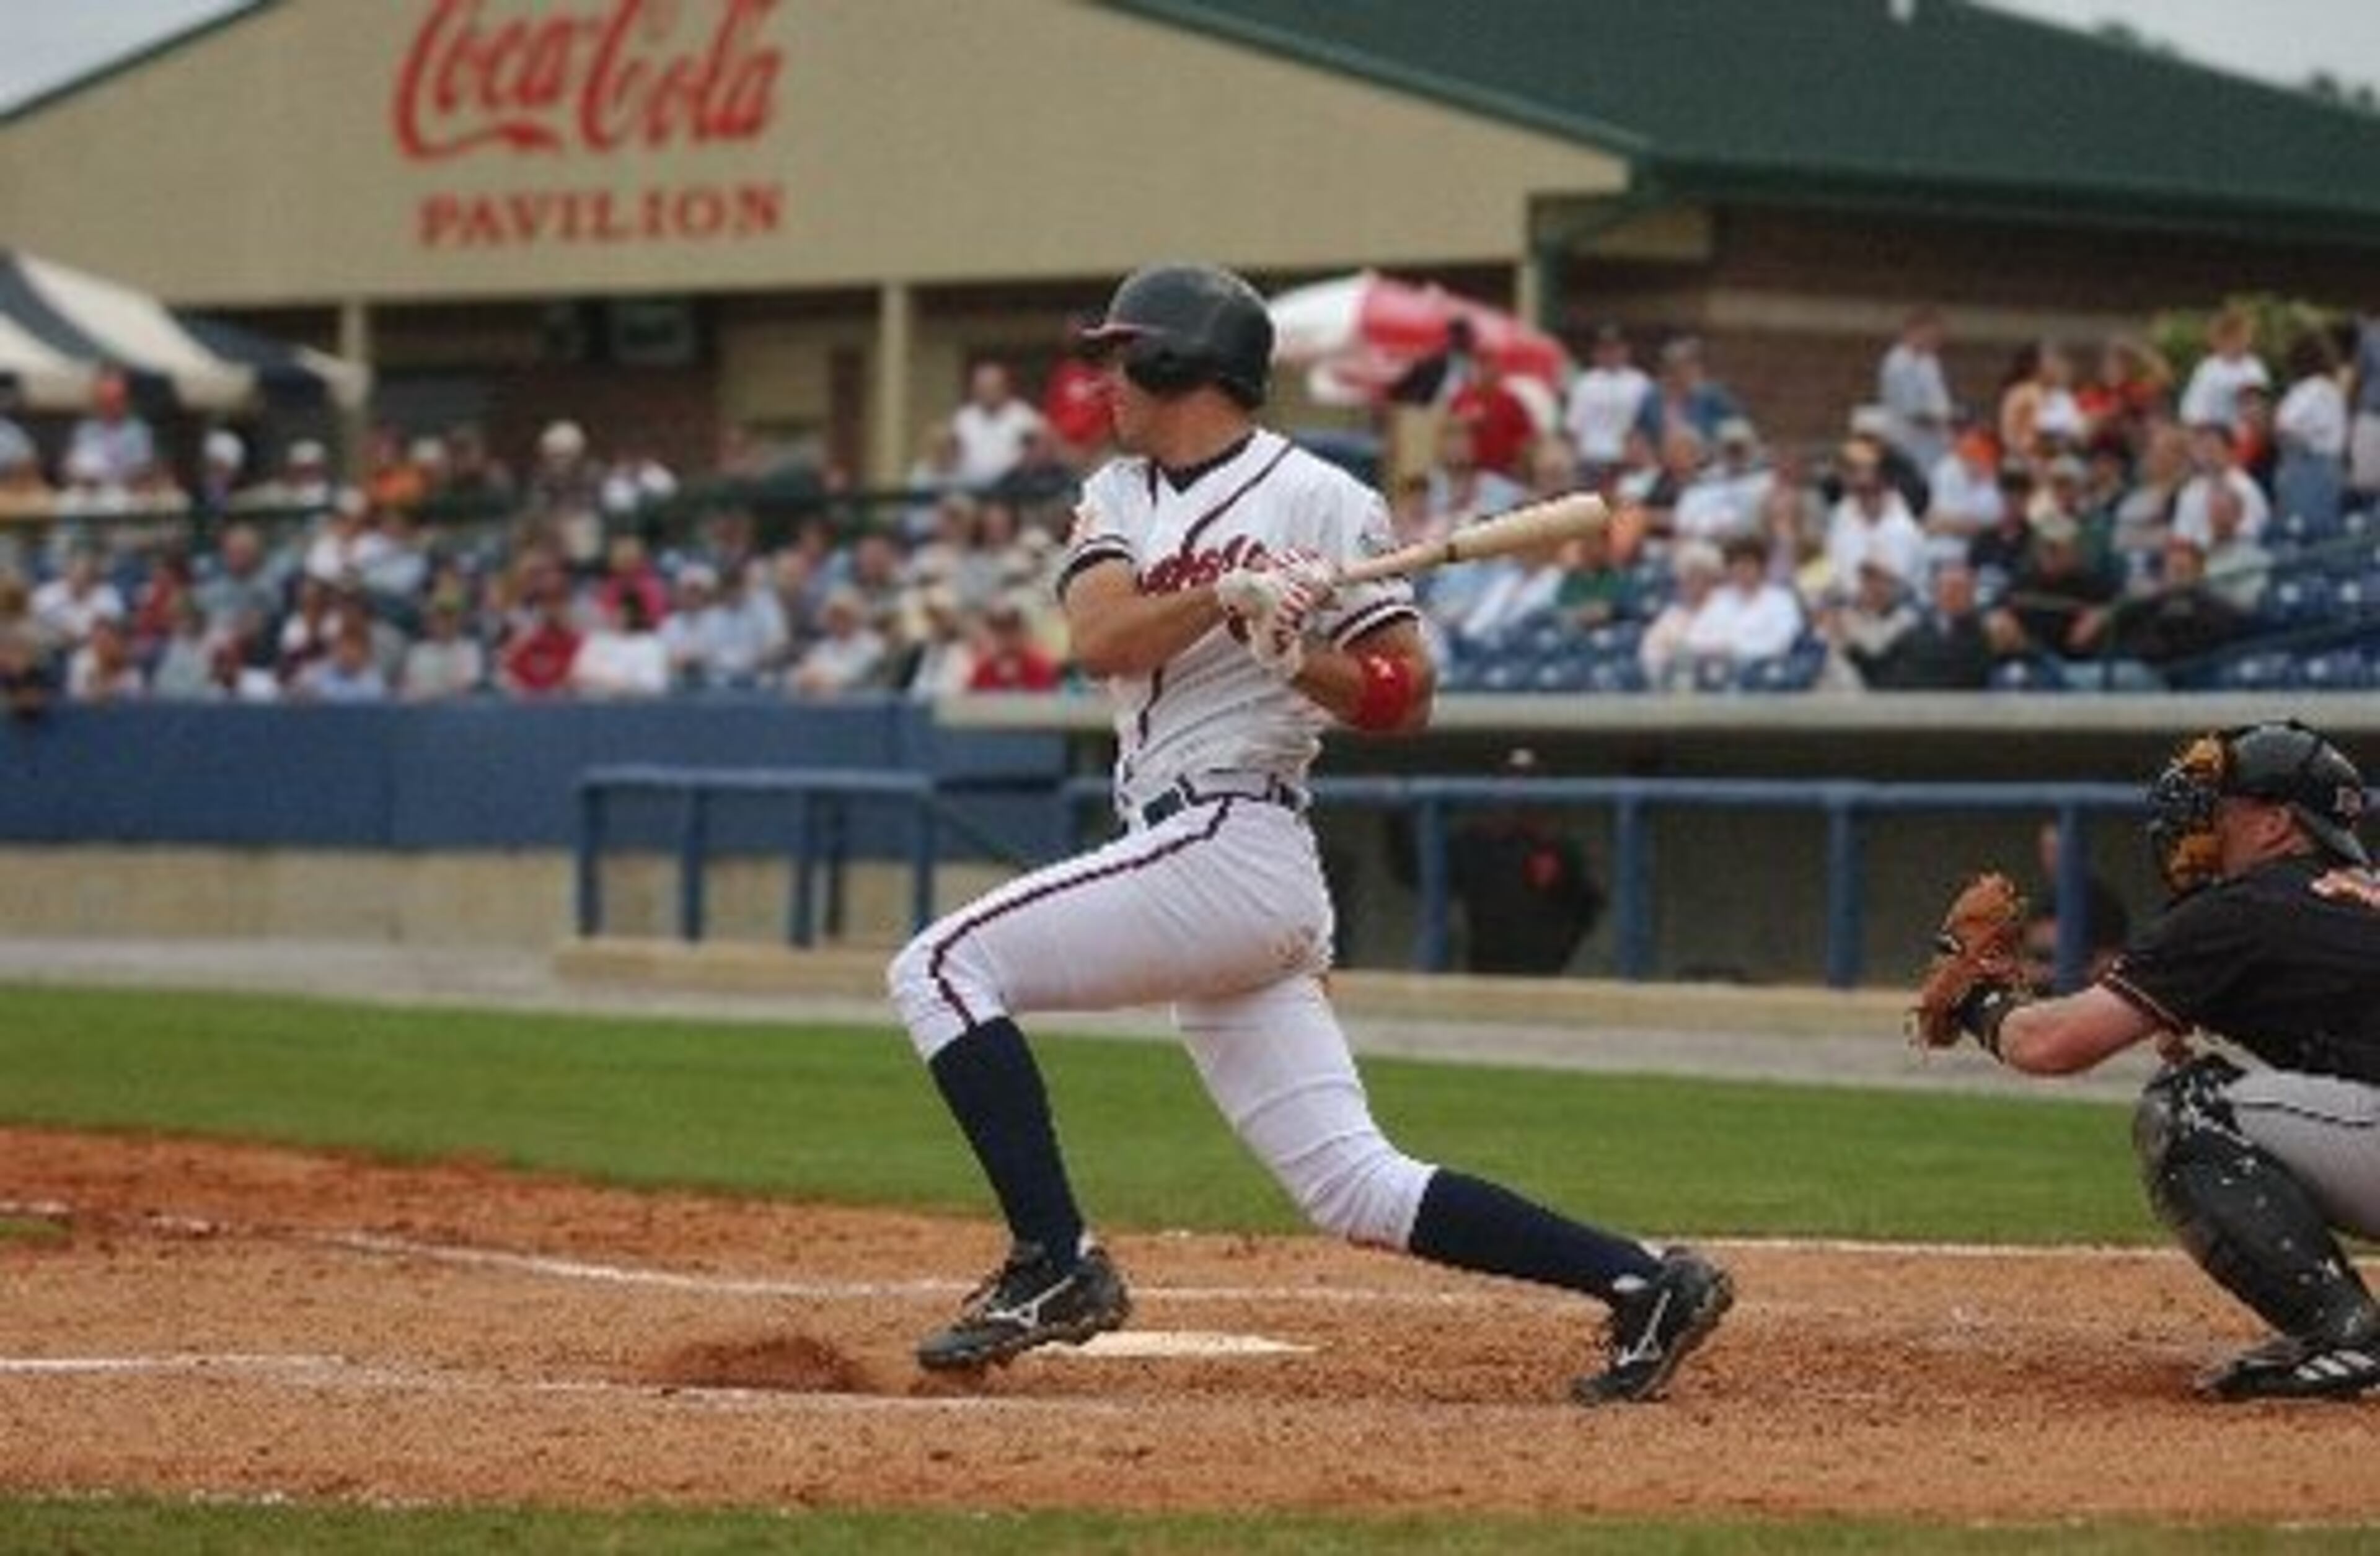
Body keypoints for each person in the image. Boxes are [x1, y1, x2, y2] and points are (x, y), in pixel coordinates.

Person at [886, 262, 1730, 1404]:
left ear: (1187, 362)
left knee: (940, 966)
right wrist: (1226, 596)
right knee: (1352, 1184)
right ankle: (1644, 1282)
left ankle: (1056, 1263)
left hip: (1236, 838)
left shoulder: (1322, 499)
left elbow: (1406, 695)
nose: (1104, 378)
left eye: (1124, 354)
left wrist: (1299, 656)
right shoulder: (1118, 493)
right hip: (1201, 859)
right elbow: (1100, 636)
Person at [1924, 720, 2380, 1399]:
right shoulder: (2346, 900)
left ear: (2279, 824)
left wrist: (1979, 1003)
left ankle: (2343, 1330)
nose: (2199, 824)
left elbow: (2052, 1045)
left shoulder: (2250, 906)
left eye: (2221, 807)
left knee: (2189, 1106)